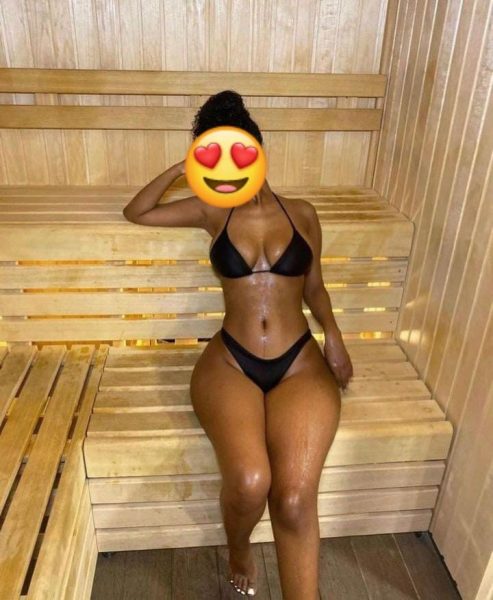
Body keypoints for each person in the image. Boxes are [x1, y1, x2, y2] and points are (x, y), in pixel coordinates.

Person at [122, 90, 353, 599]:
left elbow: (315, 287)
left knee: (293, 500)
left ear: (258, 150)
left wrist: (333, 335)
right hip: (231, 361)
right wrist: (184, 168)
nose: (228, 164)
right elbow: (136, 212)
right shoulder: (212, 210)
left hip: (299, 362)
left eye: (238, 151)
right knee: (250, 482)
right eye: (214, 154)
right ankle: (239, 548)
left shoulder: (302, 212)